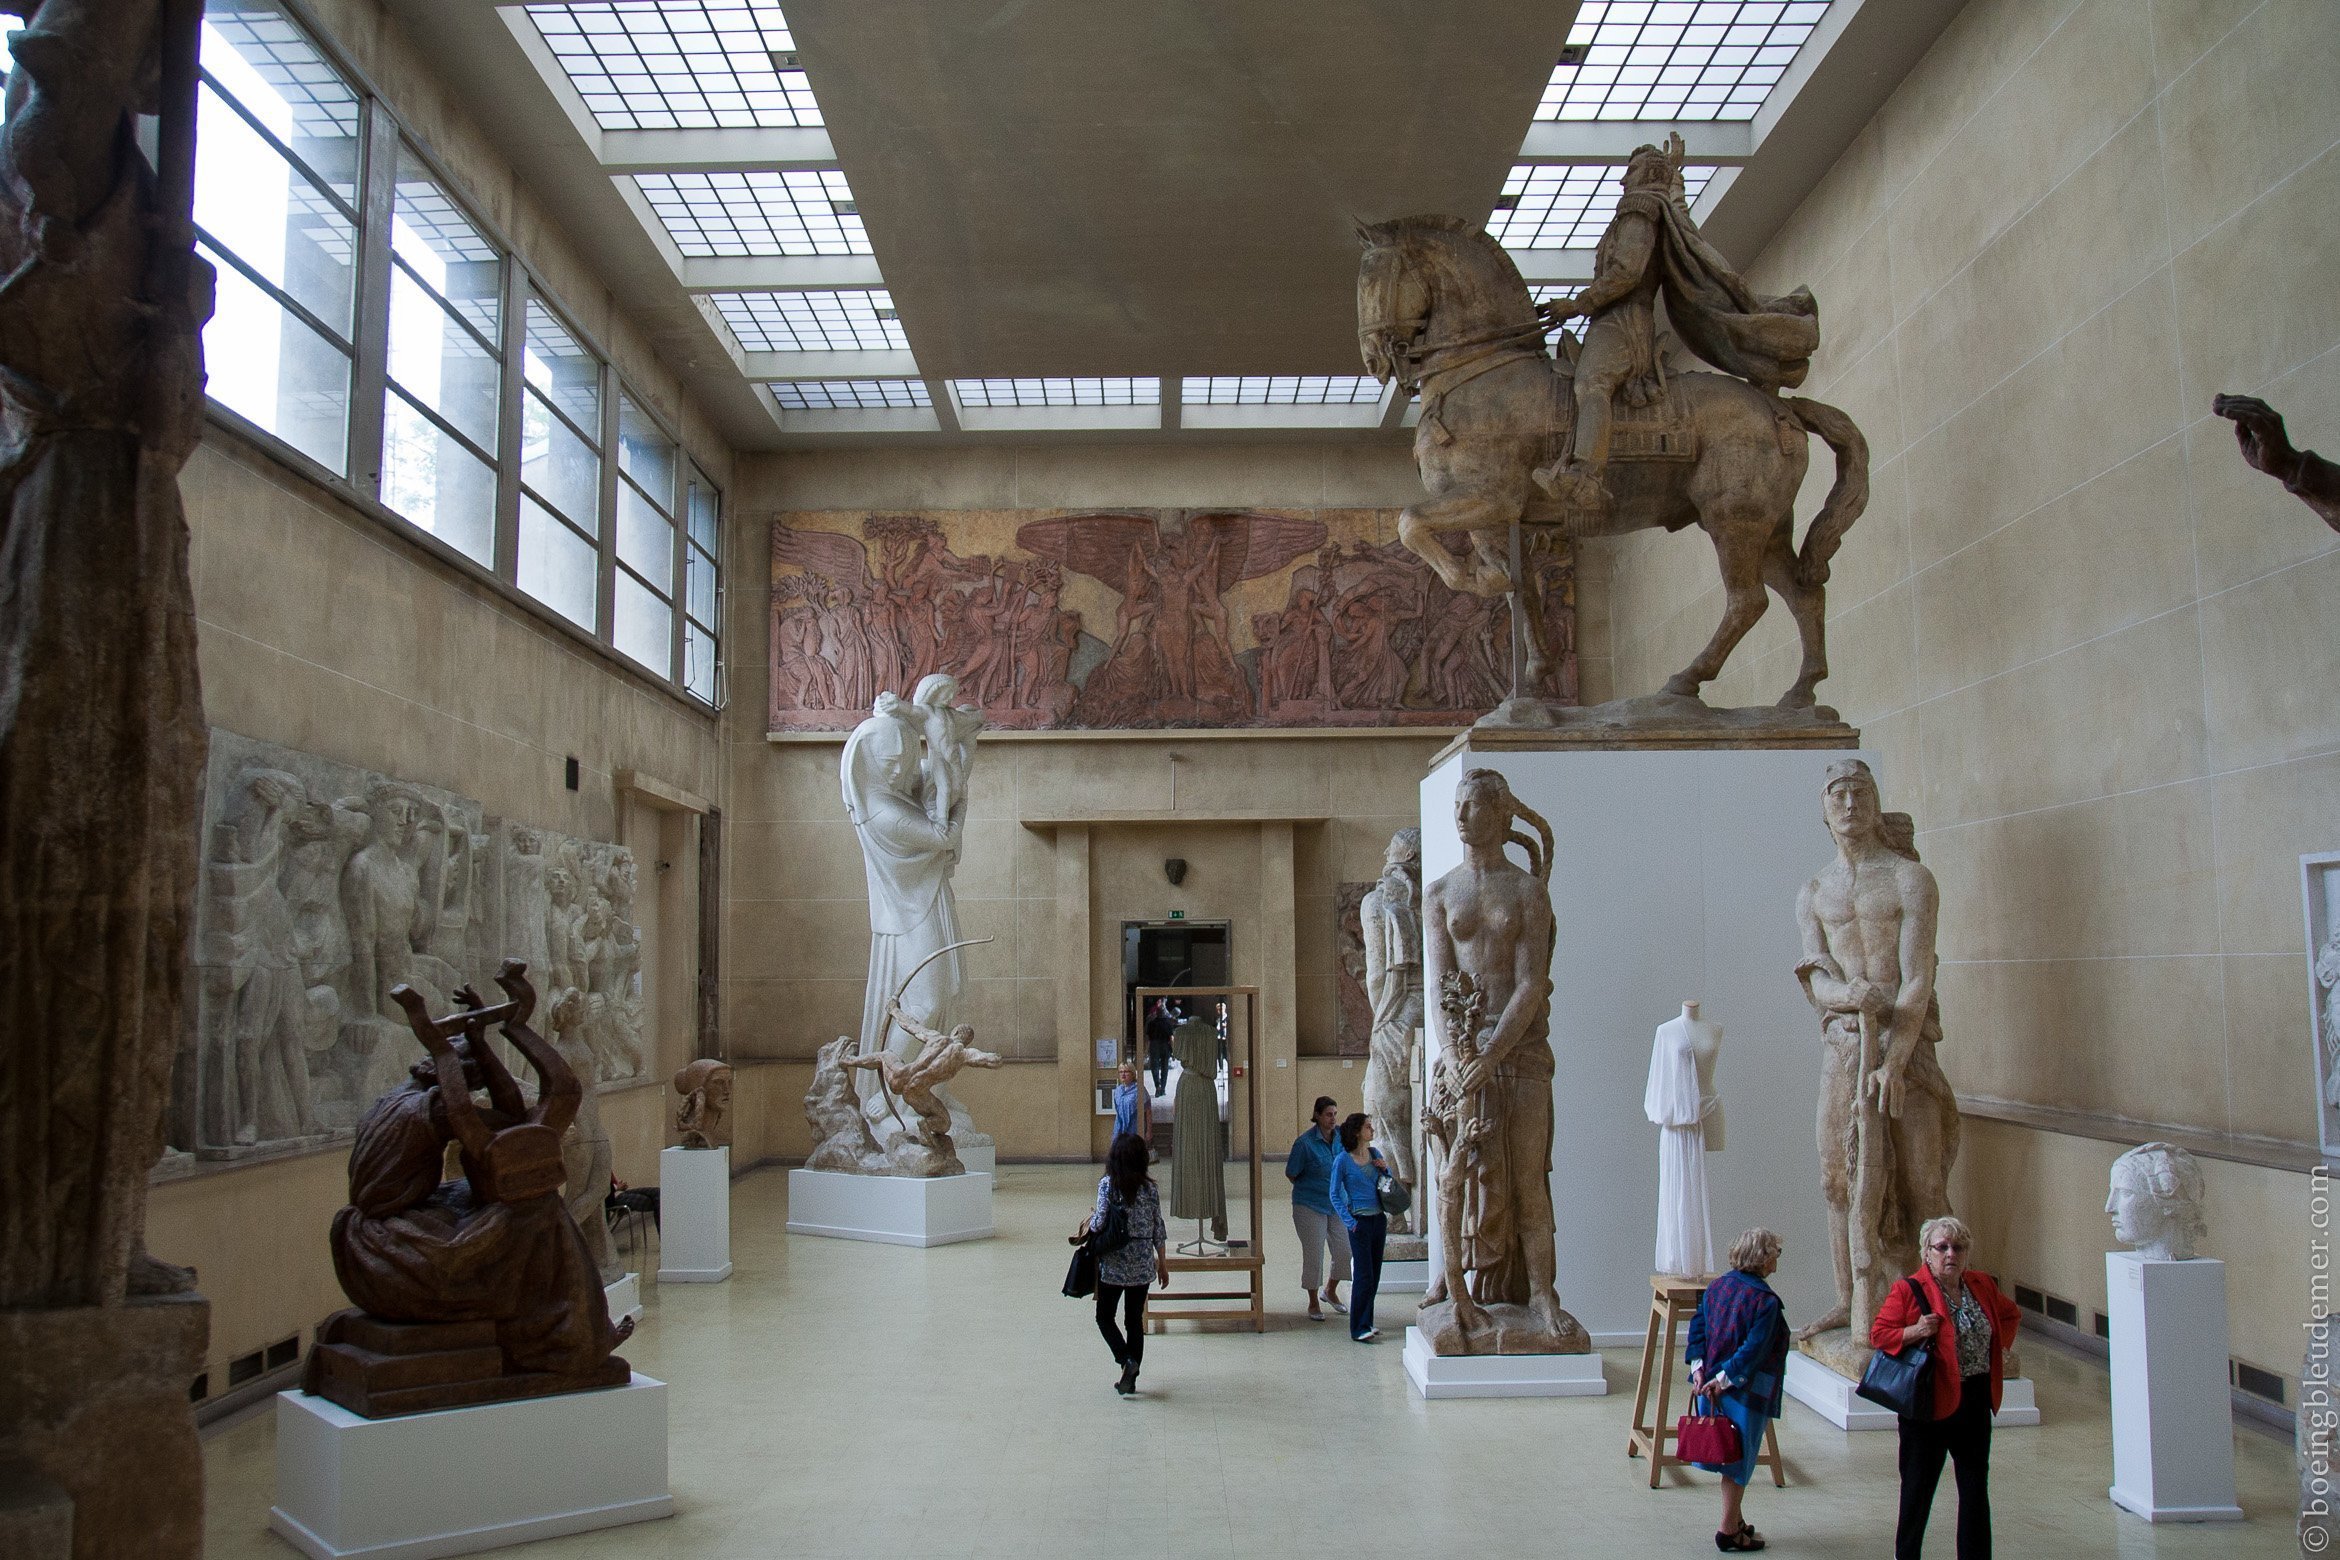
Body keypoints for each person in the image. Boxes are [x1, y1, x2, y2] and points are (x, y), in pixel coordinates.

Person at [1871, 1215, 2022, 1560]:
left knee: (1974, 1490)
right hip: (1928, 1404)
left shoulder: (1981, 1284)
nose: (1950, 1253)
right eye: (1942, 1247)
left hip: (1974, 1400)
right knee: (1917, 1491)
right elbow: (1880, 1335)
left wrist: (1995, 1347)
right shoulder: (1909, 1289)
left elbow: (2010, 1315)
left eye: (1958, 1247)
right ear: (1926, 1252)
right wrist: (1916, 1331)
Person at [1686, 1228, 1789, 1553]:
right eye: (1775, 1252)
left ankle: (1736, 1519)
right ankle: (1728, 1529)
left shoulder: (1716, 1287)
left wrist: (1700, 1370)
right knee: (1738, 1460)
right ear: (1763, 1257)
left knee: (1729, 1455)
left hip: (1711, 1388)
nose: (1777, 1258)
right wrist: (1726, 1378)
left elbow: (1697, 1328)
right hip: (1744, 1392)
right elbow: (1754, 1350)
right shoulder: (1766, 1301)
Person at [1084, 1131, 1169, 1396]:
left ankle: (1126, 1361)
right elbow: (1158, 1227)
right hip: (1142, 1264)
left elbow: (1099, 1222)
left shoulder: (1108, 1184)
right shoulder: (1150, 1188)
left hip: (1114, 1264)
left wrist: (1091, 1222)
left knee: (1104, 1316)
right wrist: (1162, 1263)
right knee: (1134, 1320)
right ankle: (1130, 1375)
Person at [1283, 1096, 1349, 1319]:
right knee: (1314, 1253)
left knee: (1344, 1250)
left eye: (1335, 1114)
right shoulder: (1305, 1143)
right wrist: (1314, 1186)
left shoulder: (1342, 1137)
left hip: (1338, 1203)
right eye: (1328, 1115)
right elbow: (1291, 1173)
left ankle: (1330, 1290)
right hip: (1309, 1205)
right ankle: (1313, 1302)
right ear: (1318, 1116)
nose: (1333, 1119)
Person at [1328, 1112, 1389, 1343]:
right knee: (1363, 1275)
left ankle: (1368, 1321)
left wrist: (1385, 1169)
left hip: (1378, 1220)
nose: (1371, 1131)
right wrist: (1350, 1222)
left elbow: (1386, 1184)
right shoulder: (1343, 1161)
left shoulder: (1375, 1154)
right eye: (1367, 1127)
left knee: (1374, 1274)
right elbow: (1334, 1194)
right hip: (1360, 1222)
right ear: (1357, 1132)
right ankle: (1358, 1327)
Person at [1143, 997, 1176, 1095]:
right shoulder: (1168, 1023)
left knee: (1155, 1067)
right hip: (1165, 1046)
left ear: (1156, 1013)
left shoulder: (1152, 1023)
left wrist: (1146, 1051)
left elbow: (1148, 1039)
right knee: (1164, 1067)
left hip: (1154, 1045)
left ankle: (1157, 1086)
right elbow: (1171, 1038)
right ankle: (1163, 1088)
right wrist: (1174, 1051)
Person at [1111, 1061, 1147, 1144]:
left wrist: (1149, 1131)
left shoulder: (1139, 1089)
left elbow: (1147, 1111)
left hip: (1134, 1128)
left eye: (1126, 1072)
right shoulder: (1118, 1090)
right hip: (1119, 1128)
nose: (1123, 1074)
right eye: (1121, 1072)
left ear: (1133, 1073)